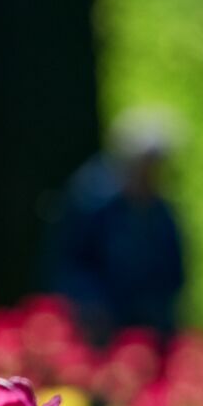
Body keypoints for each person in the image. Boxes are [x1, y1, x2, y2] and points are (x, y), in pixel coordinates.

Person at [48, 108, 189, 343]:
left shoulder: (162, 213)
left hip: (151, 329)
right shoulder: (91, 203)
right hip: (98, 327)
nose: (151, 177)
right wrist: (91, 304)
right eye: (146, 168)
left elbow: (176, 274)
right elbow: (66, 265)